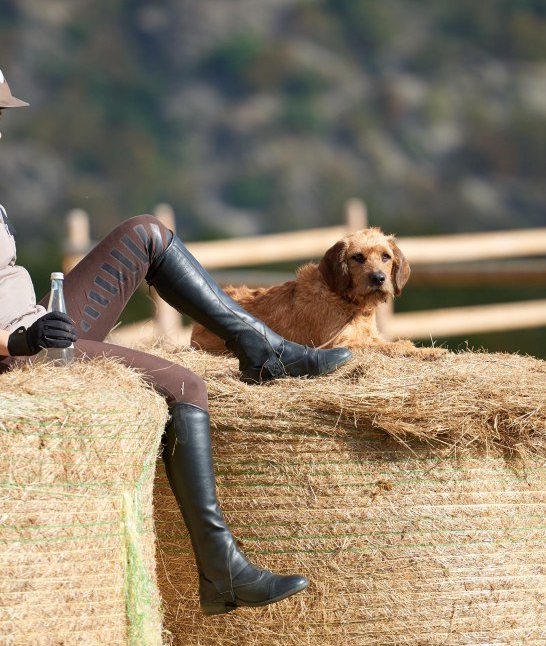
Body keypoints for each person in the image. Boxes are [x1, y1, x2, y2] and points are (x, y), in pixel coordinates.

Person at [0, 68, 352, 616]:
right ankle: (222, 572)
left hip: (37, 327)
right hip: (20, 354)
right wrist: (18, 340)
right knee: (185, 386)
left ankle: (262, 349)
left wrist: (34, 325)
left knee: (146, 234)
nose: (1, 127)